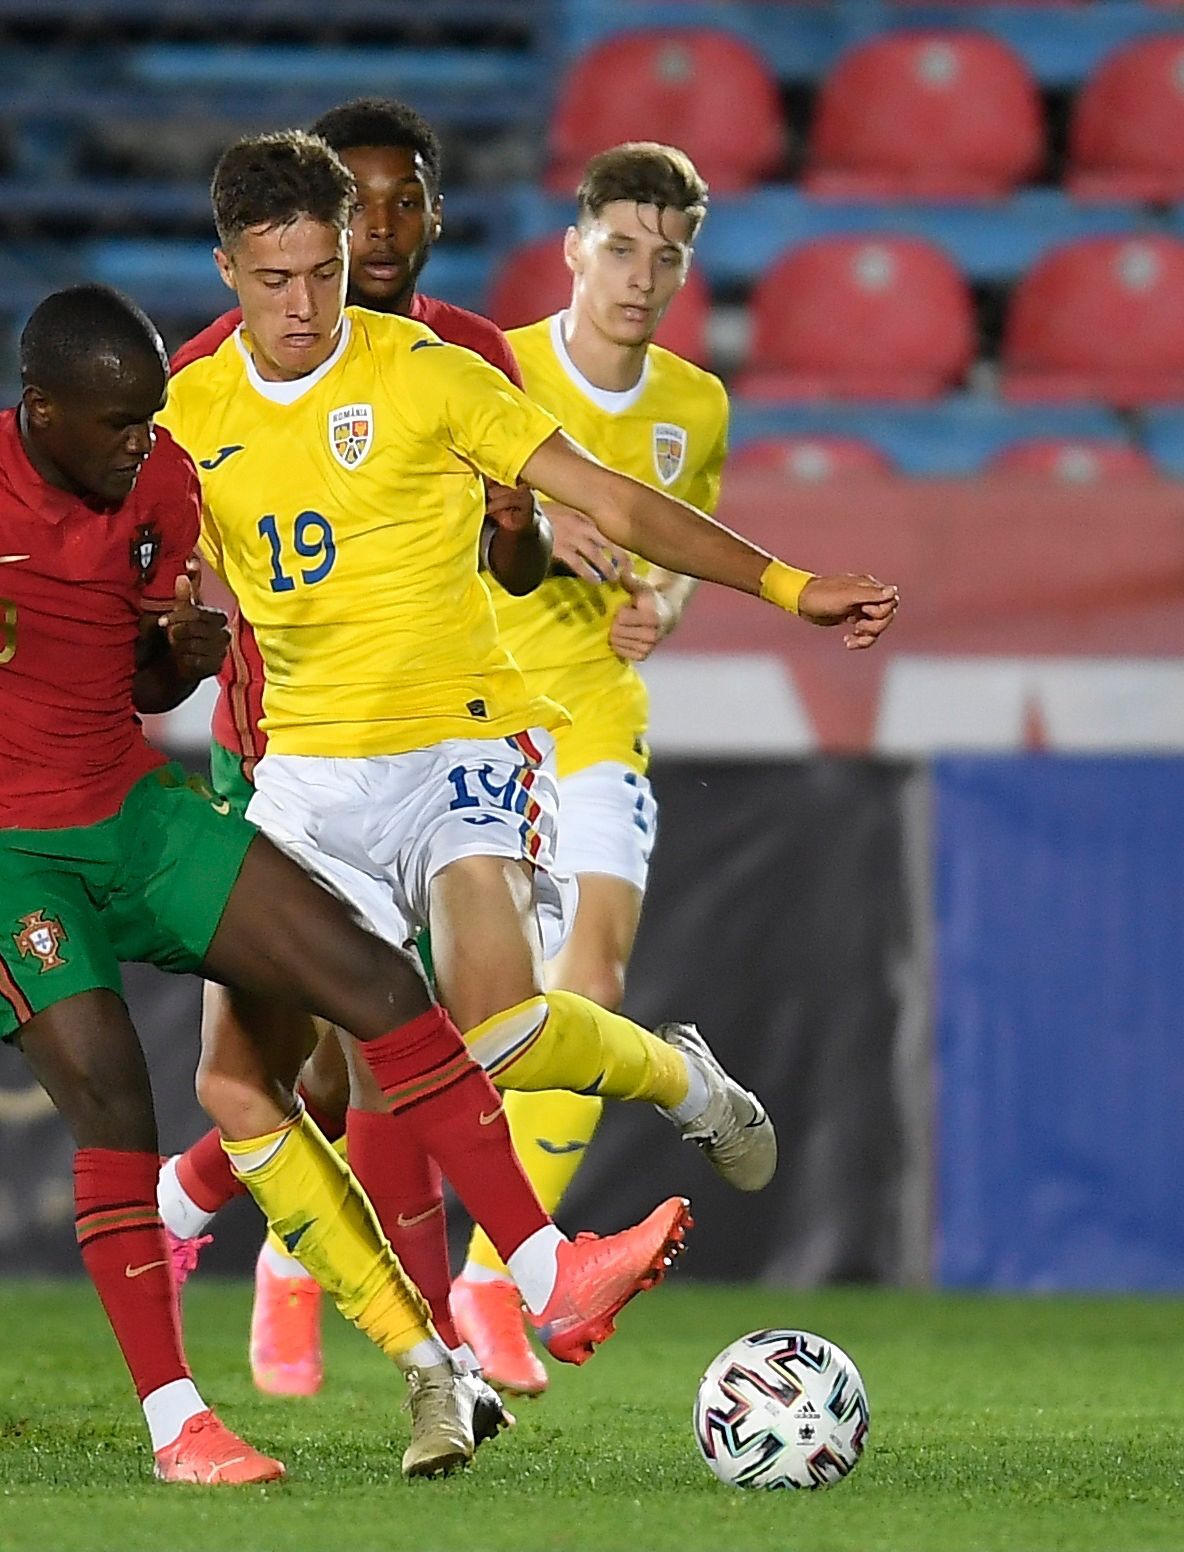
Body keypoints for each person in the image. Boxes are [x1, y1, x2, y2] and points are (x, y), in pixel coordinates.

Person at [0, 283, 689, 1483]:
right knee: (116, 1094)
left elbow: (134, 684)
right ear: (40, 410)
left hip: (130, 811)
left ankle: (546, 1272)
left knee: (374, 978)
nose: (141, 444)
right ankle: (179, 1420)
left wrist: (171, 660)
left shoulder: (161, 484)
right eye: (117, 424)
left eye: (147, 420)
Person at [153, 128, 898, 1410]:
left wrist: (785, 584)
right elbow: (148, 579)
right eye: (274, 279)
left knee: (462, 1034)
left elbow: (607, 498)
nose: (304, 303)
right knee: (262, 1076)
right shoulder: (189, 411)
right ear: (227, 270)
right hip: (296, 779)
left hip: (457, 743)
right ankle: (640, 1118)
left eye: (323, 272)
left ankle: (489, 1296)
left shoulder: (436, 373)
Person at [160, 96, 550, 1400]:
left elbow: (523, 558)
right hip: (272, 754)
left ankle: (427, 1333)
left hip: (424, 749)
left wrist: (518, 523)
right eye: (358, 203)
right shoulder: (225, 367)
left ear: (436, 211)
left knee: (403, 1046)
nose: (381, 228)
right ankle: (309, 1268)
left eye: (404, 199)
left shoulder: (468, 352)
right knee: (320, 1067)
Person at [449, 142, 731, 1397]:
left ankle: (491, 1282)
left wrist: (658, 607)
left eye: (665, 254)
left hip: (596, 720)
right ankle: (300, 1267)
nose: (640, 274)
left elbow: (675, 556)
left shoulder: (694, 406)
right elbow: (426, 515)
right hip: (474, 715)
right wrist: (530, 522)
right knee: (438, 1018)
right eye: (619, 245)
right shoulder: (493, 366)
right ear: (570, 246)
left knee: (593, 980)